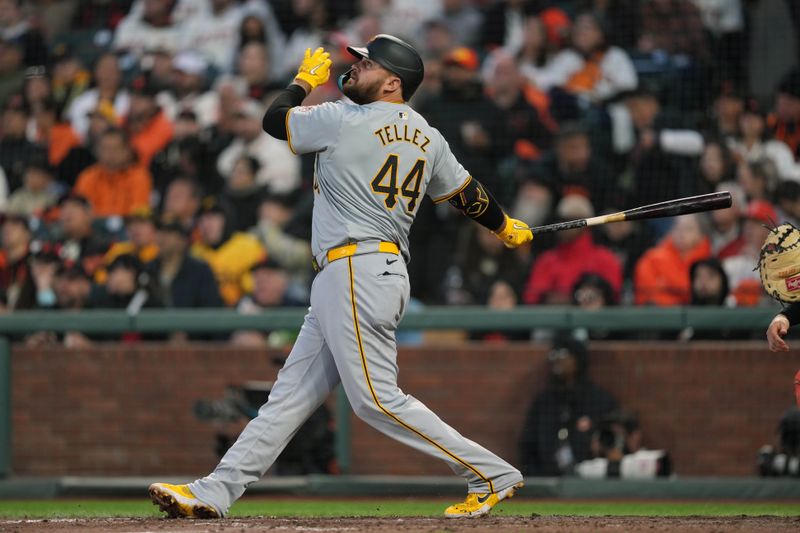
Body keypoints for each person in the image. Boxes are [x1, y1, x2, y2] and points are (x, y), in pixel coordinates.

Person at [149, 35, 532, 519]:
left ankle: (490, 473)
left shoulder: (341, 118)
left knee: (375, 400)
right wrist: (502, 225)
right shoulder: (429, 136)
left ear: (394, 82)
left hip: (356, 268)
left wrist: (302, 83)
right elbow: (465, 192)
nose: (353, 68)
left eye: (368, 63)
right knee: (287, 399)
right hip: (365, 272)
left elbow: (273, 121)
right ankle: (214, 492)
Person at [518, 337, 619, 476]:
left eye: (564, 355)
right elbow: (527, 444)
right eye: (554, 355)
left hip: (588, 479)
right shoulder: (544, 401)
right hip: (547, 478)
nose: (558, 360)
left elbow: (612, 442)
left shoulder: (598, 399)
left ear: (578, 360)